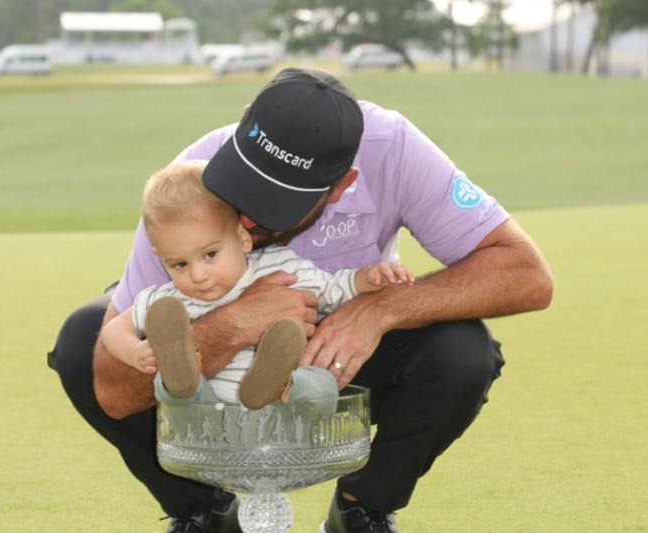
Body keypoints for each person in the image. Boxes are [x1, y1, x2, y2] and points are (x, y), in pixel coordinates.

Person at [48, 67, 553, 533]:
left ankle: (362, 509)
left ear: (341, 187)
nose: (246, 218)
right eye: (241, 185)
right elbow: (114, 392)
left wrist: (378, 309)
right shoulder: (186, 182)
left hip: (329, 359)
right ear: (245, 123)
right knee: (80, 343)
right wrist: (233, 324)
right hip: (204, 349)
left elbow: (527, 273)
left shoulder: (392, 148)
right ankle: (202, 511)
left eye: (275, 206)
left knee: (463, 352)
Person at [101, 160, 414, 412]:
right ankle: (185, 375)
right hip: (207, 415)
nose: (197, 276)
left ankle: (275, 382)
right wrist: (134, 352)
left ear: (242, 238)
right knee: (171, 387)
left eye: (210, 255)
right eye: (178, 264)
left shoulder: (279, 269)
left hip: (283, 405)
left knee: (320, 383)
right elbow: (114, 329)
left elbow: (334, 290)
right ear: (161, 258)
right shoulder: (167, 301)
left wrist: (369, 277)